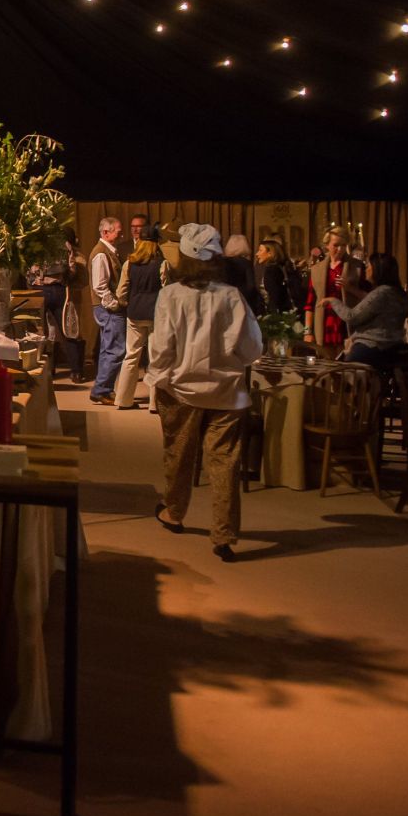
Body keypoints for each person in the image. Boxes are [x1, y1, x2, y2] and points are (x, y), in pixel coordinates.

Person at [150, 224, 264, 563]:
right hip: (226, 392)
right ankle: (224, 534)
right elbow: (251, 347)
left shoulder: (171, 295)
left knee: (179, 455)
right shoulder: (231, 297)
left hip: (181, 389)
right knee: (225, 462)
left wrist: (161, 376)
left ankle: (174, 512)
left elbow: (161, 348)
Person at [323, 252, 408, 374]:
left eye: (369, 266)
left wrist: (333, 301)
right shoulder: (399, 293)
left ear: (378, 270)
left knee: (341, 376)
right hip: (393, 346)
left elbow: (352, 317)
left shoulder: (381, 293)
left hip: (373, 347)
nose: (366, 269)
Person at [112, 239, 165, 409]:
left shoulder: (129, 264)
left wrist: (127, 303)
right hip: (156, 314)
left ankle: (123, 400)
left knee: (131, 356)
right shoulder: (162, 264)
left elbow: (121, 292)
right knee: (155, 358)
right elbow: (167, 289)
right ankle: (154, 404)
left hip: (134, 314)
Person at [35, 226, 86, 383]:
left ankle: (43, 370)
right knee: (68, 330)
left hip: (39, 290)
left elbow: (29, 269)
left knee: (40, 333)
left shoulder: (36, 244)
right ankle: (76, 372)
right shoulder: (66, 245)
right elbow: (72, 269)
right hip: (59, 290)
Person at [304, 226, 365, 357]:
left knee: (346, 364)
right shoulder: (317, 269)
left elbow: (368, 298)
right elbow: (310, 303)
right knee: (326, 364)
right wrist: (307, 331)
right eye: (336, 245)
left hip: (346, 322)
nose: (340, 249)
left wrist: (350, 288)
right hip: (325, 322)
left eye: (343, 245)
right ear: (327, 245)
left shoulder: (357, 267)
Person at [89, 216, 128, 404]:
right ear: (106, 232)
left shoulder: (109, 251)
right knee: (115, 349)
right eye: (118, 231)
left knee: (109, 348)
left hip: (107, 308)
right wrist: (115, 305)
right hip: (108, 308)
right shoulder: (101, 253)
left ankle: (103, 388)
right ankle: (102, 390)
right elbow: (100, 286)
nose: (121, 234)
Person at [255, 239, 300, 317]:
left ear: (270, 253)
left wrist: (273, 317)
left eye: (260, 250)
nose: (257, 254)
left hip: (276, 316)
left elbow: (274, 296)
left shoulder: (271, 270)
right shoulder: (280, 268)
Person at [223, 234, 260, 314]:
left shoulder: (221, 263)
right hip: (243, 299)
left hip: (225, 299)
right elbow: (251, 286)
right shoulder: (246, 263)